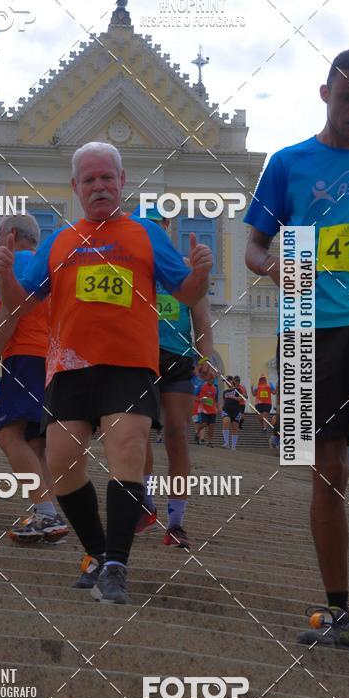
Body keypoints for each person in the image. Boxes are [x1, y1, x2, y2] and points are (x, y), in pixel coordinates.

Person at [0, 141, 212, 604]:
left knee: (126, 453)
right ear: (76, 187)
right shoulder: (59, 240)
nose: (99, 186)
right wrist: (5, 275)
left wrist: (201, 273)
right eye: (89, 180)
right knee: (61, 463)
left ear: (122, 181)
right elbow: (23, 302)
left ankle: (116, 564)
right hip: (69, 368)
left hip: (129, 366)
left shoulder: (147, 234)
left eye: (106, 178)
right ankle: (95, 552)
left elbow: (188, 294)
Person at [244, 48, 349, 648]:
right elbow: (253, 248)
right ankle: (338, 613)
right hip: (304, 324)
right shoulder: (287, 164)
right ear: (325, 93)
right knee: (325, 472)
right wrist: (273, 267)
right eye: (347, 95)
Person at [0, 215, 68, 544]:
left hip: (25, 356)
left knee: (6, 435)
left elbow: (10, 312)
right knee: (34, 443)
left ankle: (44, 511)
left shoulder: (16, 263)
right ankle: (49, 516)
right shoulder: (48, 266)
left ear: (11, 236)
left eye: (0, 237)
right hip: (49, 358)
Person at [131, 208, 214, 549]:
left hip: (177, 358)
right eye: (146, 225)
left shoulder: (182, 267)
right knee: (138, 433)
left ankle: (176, 523)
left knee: (177, 434)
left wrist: (205, 355)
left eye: (159, 225)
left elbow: (201, 316)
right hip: (140, 355)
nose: (154, 231)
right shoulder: (133, 269)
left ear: (167, 228)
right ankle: (145, 503)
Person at [195, 369, 217, 447]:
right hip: (203, 409)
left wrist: (217, 407)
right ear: (208, 379)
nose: (212, 380)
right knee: (204, 424)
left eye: (213, 379)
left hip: (212, 409)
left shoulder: (215, 388)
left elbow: (215, 399)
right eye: (211, 379)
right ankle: (197, 432)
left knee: (212, 426)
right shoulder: (201, 385)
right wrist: (200, 399)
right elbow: (194, 396)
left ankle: (209, 442)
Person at [221, 376, 243, 450]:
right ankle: (226, 443)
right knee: (226, 422)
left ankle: (233, 446)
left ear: (231, 381)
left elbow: (241, 398)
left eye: (227, 381)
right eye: (225, 381)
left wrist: (232, 397)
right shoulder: (225, 392)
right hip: (226, 409)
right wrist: (221, 408)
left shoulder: (237, 389)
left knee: (235, 428)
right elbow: (224, 402)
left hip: (236, 410)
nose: (226, 383)